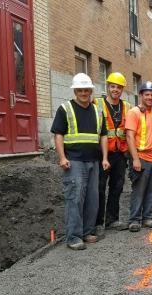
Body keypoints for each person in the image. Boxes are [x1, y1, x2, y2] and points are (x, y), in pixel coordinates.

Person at [51, 73, 110, 250]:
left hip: (93, 161)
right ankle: (74, 236)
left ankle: (87, 231)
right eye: (80, 90)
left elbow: (104, 136)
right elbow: (58, 135)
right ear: (75, 91)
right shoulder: (65, 109)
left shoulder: (97, 111)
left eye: (86, 90)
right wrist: (62, 157)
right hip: (74, 161)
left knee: (93, 198)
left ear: (91, 91)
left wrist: (105, 158)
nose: (84, 93)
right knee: (75, 198)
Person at [95, 72, 131, 232]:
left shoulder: (127, 107)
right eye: (112, 86)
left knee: (117, 187)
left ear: (122, 89)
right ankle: (98, 222)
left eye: (118, 87)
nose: (115, 90)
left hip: (120, 154)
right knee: (100, 187)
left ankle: (112, 219)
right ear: (108, 87)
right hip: (103, 153)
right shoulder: (97, 103)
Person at [125, 81, 152, 232]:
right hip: (140, 157)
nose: (150, 97)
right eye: (147, 94)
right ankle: (134, 220)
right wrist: (135, 159)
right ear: (141, 95)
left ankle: (147, 217)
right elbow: (129, 136)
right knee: (139, 189)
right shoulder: (134, 112)